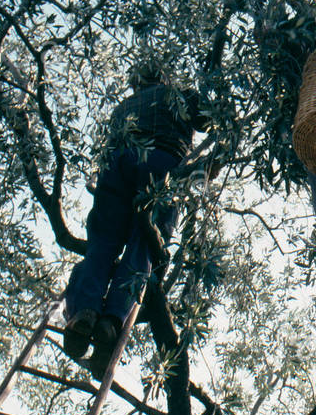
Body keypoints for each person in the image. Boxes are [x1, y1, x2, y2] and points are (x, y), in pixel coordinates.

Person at [61, 60, 209, 378]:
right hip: (162, 162)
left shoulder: (123, 106)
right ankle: (113, 320)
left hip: (117, 164)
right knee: (144, 243)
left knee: (102, 243)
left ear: (135, 84)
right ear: (163, 75)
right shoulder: (178, 93)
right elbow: (208, 121)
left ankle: (85, 311)